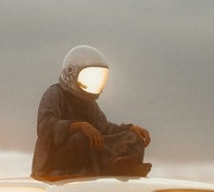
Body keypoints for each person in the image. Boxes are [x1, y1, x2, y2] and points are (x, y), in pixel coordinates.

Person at [31, 45, 152, 181]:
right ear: (71, 73)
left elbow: (104, 129)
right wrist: (77, 126)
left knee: (133, 137)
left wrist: (130, 128)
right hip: (52, 162)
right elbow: (45, 129)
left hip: (88, 153)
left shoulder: (88, 103)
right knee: (82, 138)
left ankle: (120, 166)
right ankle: (69, 170)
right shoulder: (54, 94)